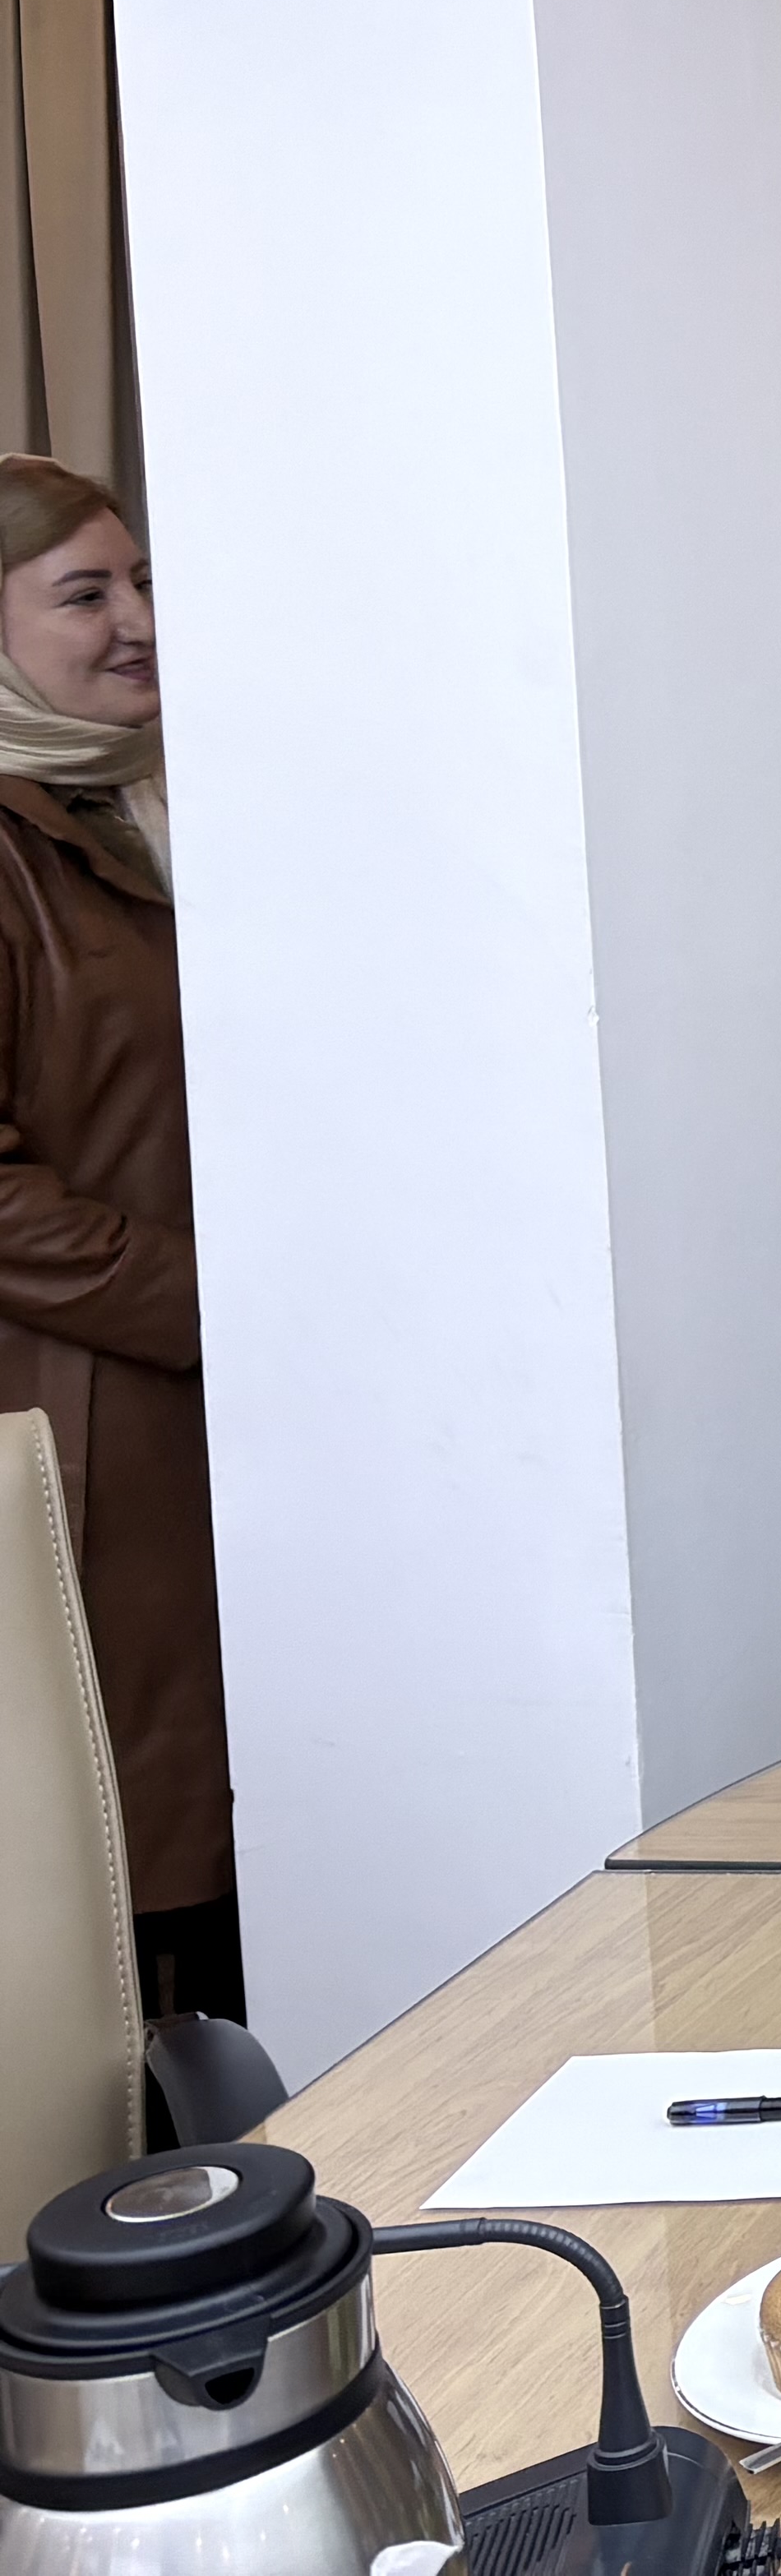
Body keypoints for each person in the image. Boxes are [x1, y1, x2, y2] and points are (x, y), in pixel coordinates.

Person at [0, 458, 229, 2014]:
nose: (138, 621)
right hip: (87, 1429)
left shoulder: (162, 799)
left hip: (217, 1412)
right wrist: (221, 1307)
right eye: (85, 594)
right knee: (126, 1891)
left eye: (141, 580)